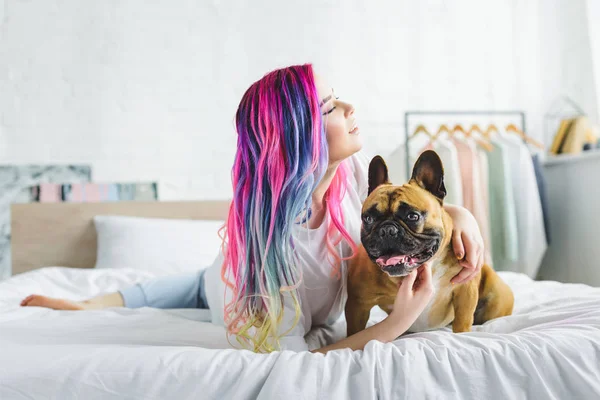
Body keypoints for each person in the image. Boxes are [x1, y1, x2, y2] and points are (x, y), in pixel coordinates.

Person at [21, 64, 484, 354]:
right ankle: (85, 303)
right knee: (162, 292)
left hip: (223, 271)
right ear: (300, 138)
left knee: (168, 286)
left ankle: (94, 300)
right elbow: (302, 360)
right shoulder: (270, 263)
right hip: (226, 287)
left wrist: (463, 218)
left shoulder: (355, 170)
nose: (348, 106)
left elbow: (414, 205)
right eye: (329, 107)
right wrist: (399, 323)